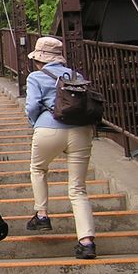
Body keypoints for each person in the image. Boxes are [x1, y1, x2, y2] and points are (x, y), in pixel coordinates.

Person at [24, 36, 96, 259]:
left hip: (48, 129)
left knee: (38, 169)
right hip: (81, 131)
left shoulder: (36, 76)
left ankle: (42, 214)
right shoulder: (77, 76)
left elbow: (32, 106)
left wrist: (37, 123)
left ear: (39, 59)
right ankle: (86, 242)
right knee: (78, 189)